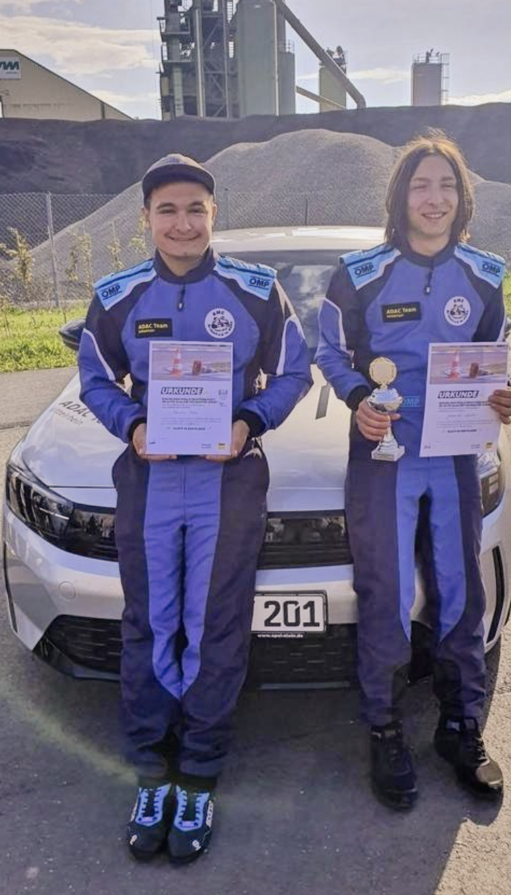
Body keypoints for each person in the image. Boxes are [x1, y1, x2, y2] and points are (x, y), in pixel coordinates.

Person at [78, 154, 311, 862]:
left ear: (214, 214)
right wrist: (132, 426)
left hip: (226, 479)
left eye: (195, 210)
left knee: (215, 624)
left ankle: (200, 774)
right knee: (149, 622)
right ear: (146, 218)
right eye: (168, 210)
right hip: (149, 481)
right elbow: (95, 379)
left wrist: (248, 421)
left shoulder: (256, 290)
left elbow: (294, 371)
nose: (182, 224)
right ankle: (152, 772)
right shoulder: (117, 295)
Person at [316, 132, 511, 810]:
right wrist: (358, 399)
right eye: (420, 185)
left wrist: (501, 396)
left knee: (460, 589)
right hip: (385, 454)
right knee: (387, 591)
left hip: (456, 452)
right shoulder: (358, 273)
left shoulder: (485, 275)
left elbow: (493, 357)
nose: (434, 199)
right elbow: (330, 351)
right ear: (399, 196)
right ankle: (383, 728)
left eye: (446, 185)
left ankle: (461, 726)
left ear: (462, 197)